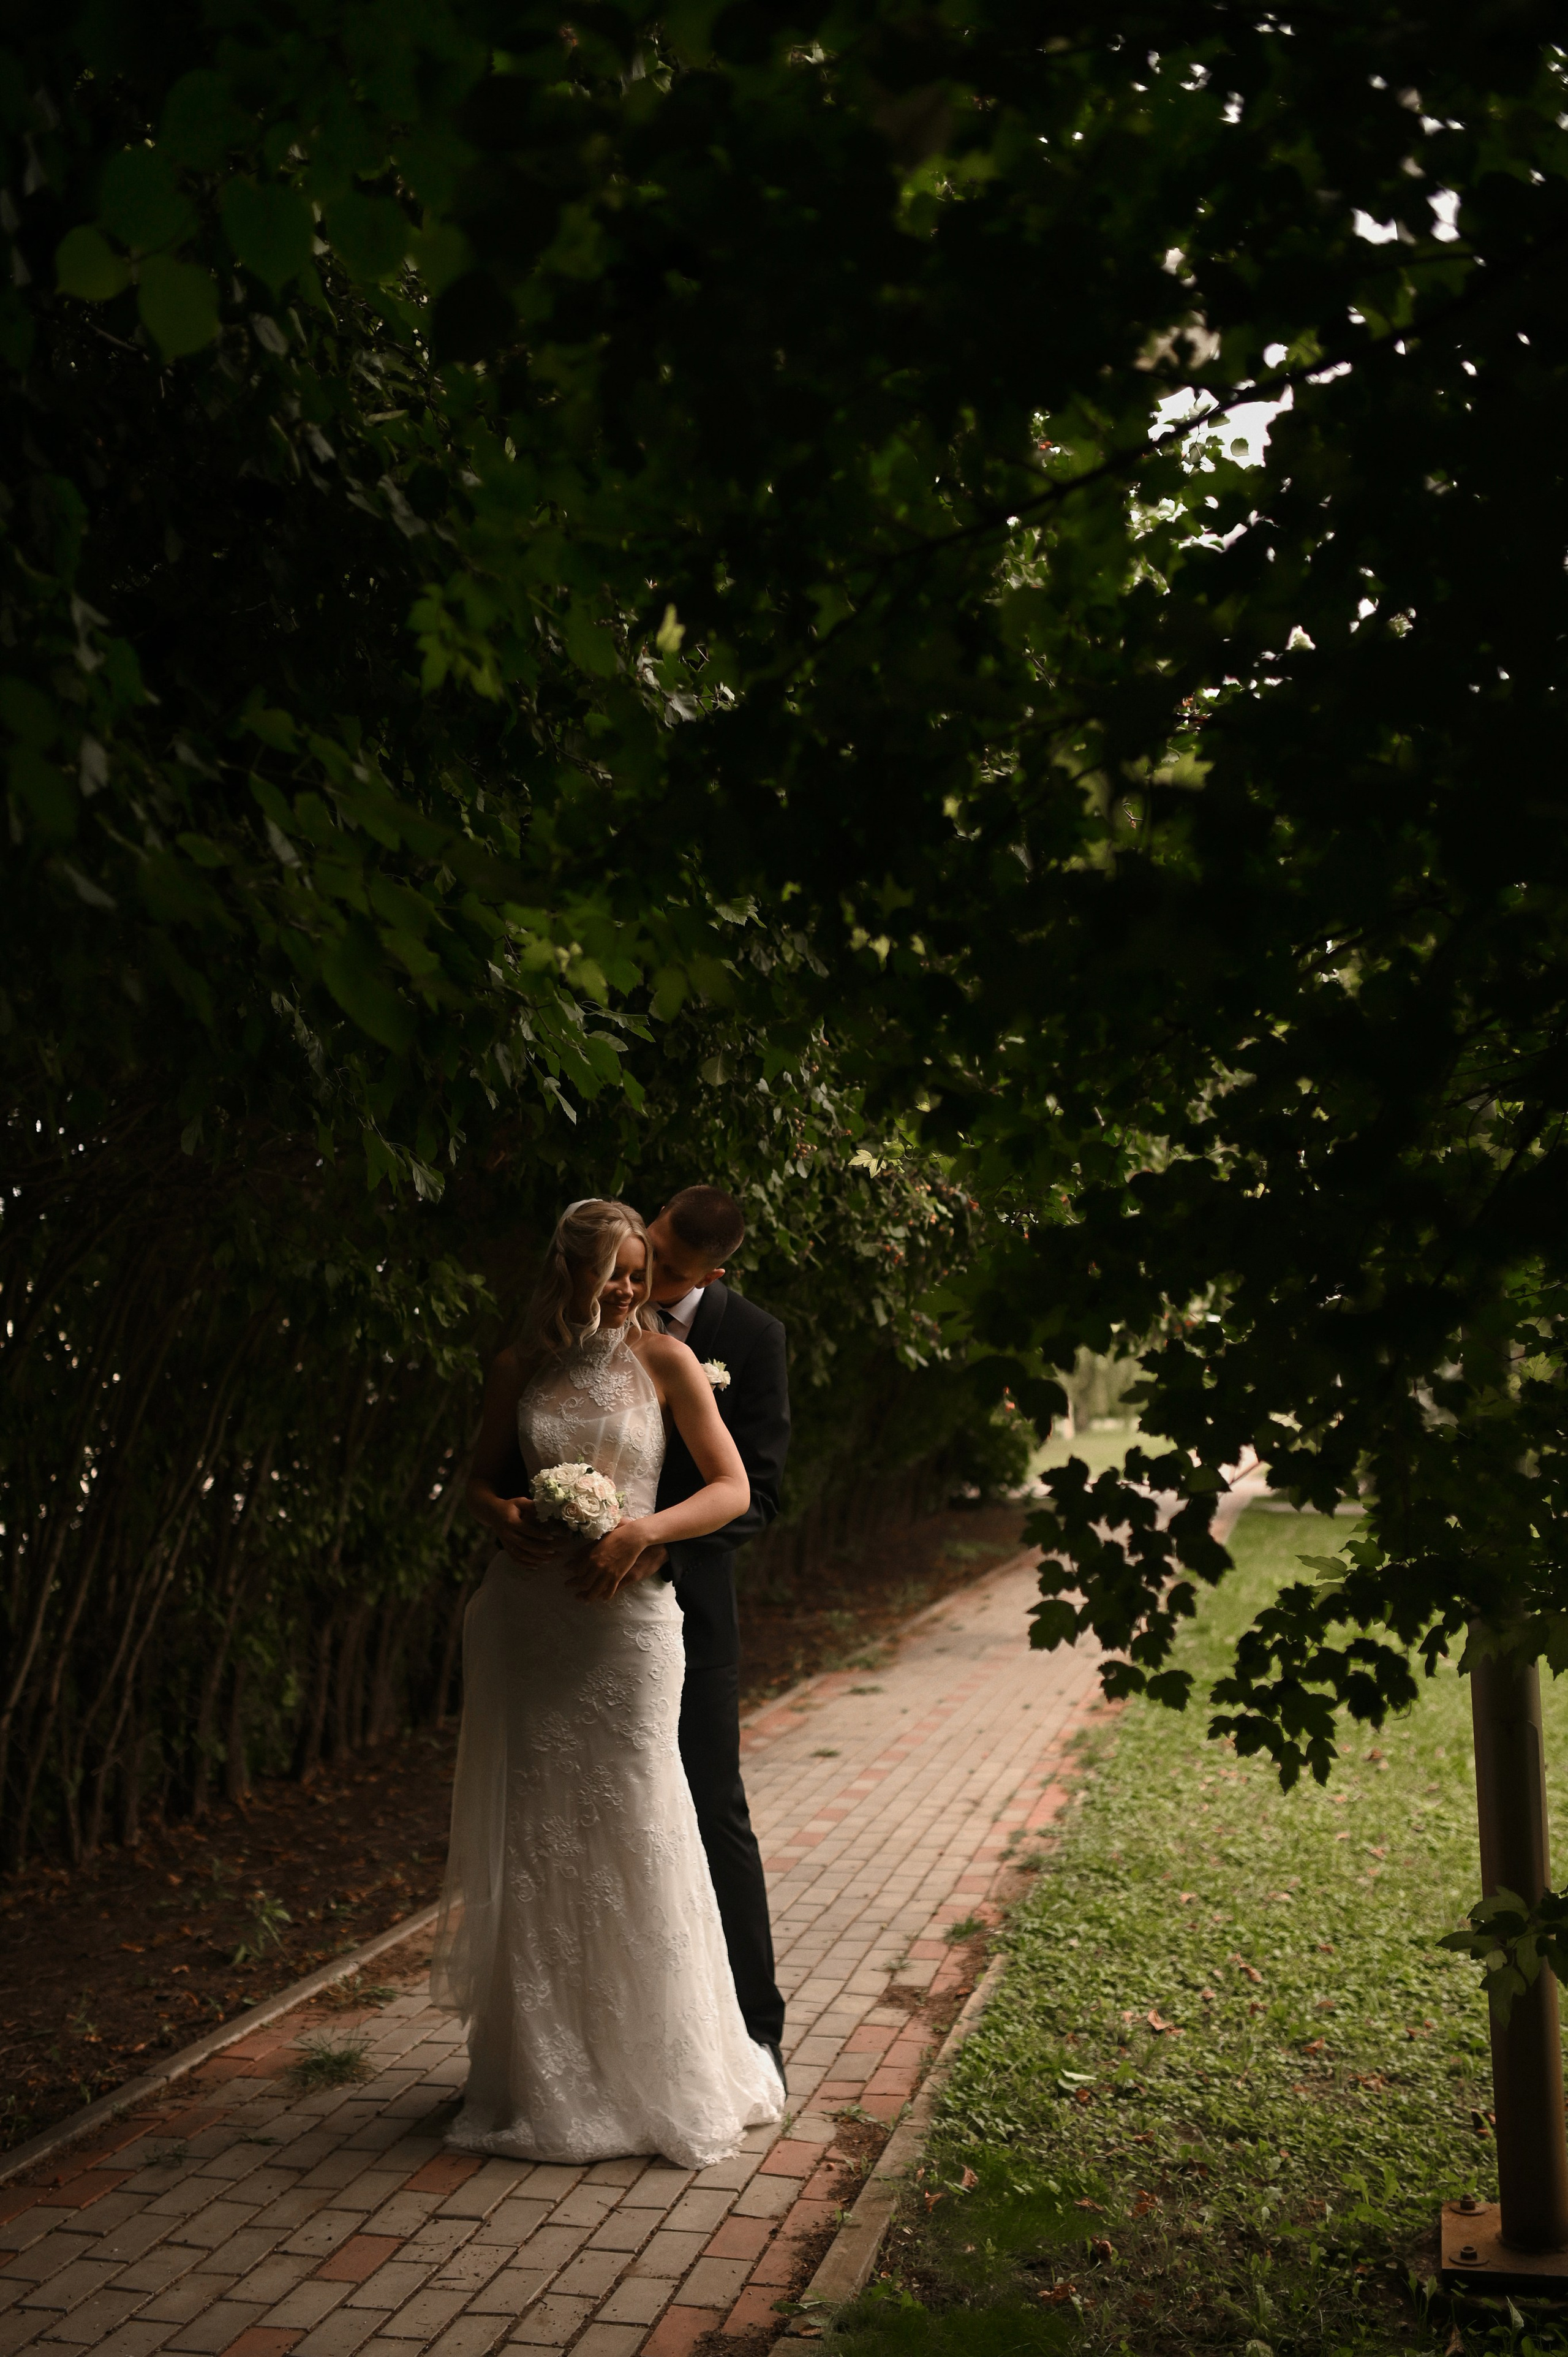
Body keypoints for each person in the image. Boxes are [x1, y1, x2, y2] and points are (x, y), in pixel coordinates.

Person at [432, 1198, 783, 2169]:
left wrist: (644, 1531)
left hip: (628, 1623)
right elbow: (473, 1481)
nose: (629, 1288)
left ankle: (664, 2067)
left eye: (639, 1271)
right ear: (568, 1271)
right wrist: (503, 1513)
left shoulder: (665, 1361)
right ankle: (549, 2075)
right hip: (531, 1618)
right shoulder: (518, 1367)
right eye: (613, 1272)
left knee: (639, 1813)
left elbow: (733, 1487)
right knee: (541, 1828)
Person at [643, 1186, 790, 2076]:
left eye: (670, 1268)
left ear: (715, 1273)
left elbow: (762, 1493)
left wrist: (659, 1550)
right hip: (585, 1602)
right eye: (650, 1249)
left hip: (695, 1604)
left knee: (713, 1806)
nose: (651, 1274)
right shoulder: (600, 1305)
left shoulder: (753, 1337)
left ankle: (758, 2031)